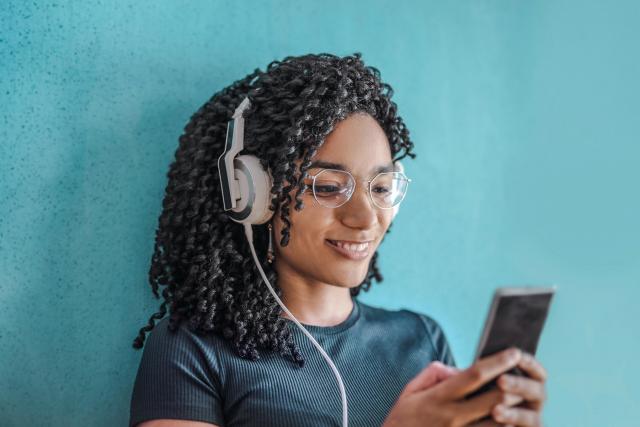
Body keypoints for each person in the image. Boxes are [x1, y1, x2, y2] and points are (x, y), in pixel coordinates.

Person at [129, 53, 547, 427]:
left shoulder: (422, 340)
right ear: (252, 194)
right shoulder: (195, 348)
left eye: (381, 188)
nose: (365, 218)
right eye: (328, 188)